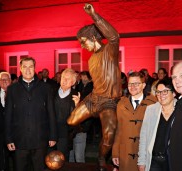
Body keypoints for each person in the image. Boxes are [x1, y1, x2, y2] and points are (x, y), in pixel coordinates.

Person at [67, 3, 122, 170]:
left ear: (93, 38)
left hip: (108, 102)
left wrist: (94, 16)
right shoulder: (91, 60)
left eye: (83, 42)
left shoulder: (109, 50)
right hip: (94, 98)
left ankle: (100, 158)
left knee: (109, 136)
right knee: (71, 121)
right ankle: (84, 128)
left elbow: (114, 36)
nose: (82, 46)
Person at [5, 57, 57, 171]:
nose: (28, 70)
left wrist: (53, 135)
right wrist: (8, 138)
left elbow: (51, 113)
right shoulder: (12, 89)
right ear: (20, 69)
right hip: (19, 140)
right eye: (25, 67)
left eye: (31, 66)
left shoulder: (46, 88)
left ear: (34, 68)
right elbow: (8, 115)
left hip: (40, 139)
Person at [112, 72, 157, 171]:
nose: (132, 86)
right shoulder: (121, 104)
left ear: (143, 85)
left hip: (144, 152)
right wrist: (115, 152)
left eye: (136, 83)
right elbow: (119, 130)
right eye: (130, 84)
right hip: (126, 152)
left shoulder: (153, 103)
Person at [137, 79, 177, 171]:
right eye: (158, 92)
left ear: (174, 93)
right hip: (154, 161)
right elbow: (144, 137)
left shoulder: (181, 111)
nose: (161, 95)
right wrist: (141, 162)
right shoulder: (151, 110)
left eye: (165, 91)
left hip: (173, 161)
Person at [54, 68, 78, 161]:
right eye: (63, 77)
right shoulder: (51, 91)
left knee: (63, 160)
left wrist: (77, 106)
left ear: (73, 82)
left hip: (65, 134)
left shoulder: (76, 96)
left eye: (68, 79)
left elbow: (78, 119)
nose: (64, 80)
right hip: (50, 133)